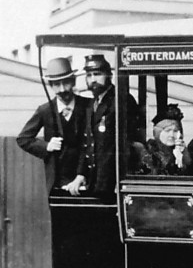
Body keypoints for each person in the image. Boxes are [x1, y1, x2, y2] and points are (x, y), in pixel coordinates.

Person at [17, 57, 89, 195]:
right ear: (50, 85)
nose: (62, 89)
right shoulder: (45, 110)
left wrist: (83, 174)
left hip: (86, 179)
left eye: (66, 83)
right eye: (56, 84)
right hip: (57, 182)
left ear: (73, 81)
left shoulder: (88, 106)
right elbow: (23, 139)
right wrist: (46, 146)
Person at [74, 53, 141, 199]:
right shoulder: (92, 104)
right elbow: (88, 143)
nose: (93, 79)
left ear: (109, 75)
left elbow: (128, 144)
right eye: (89, 75)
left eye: (97, 74)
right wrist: (81, 174)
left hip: (114, 184)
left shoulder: (121, 100)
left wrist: (122, 181)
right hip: (96, 182)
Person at [140, 105, 186, 175]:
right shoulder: (149, 153)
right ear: (157, 132)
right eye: (167, 130)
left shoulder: (182, 152)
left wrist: (181, 158)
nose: (171, 135)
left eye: (175, 131)